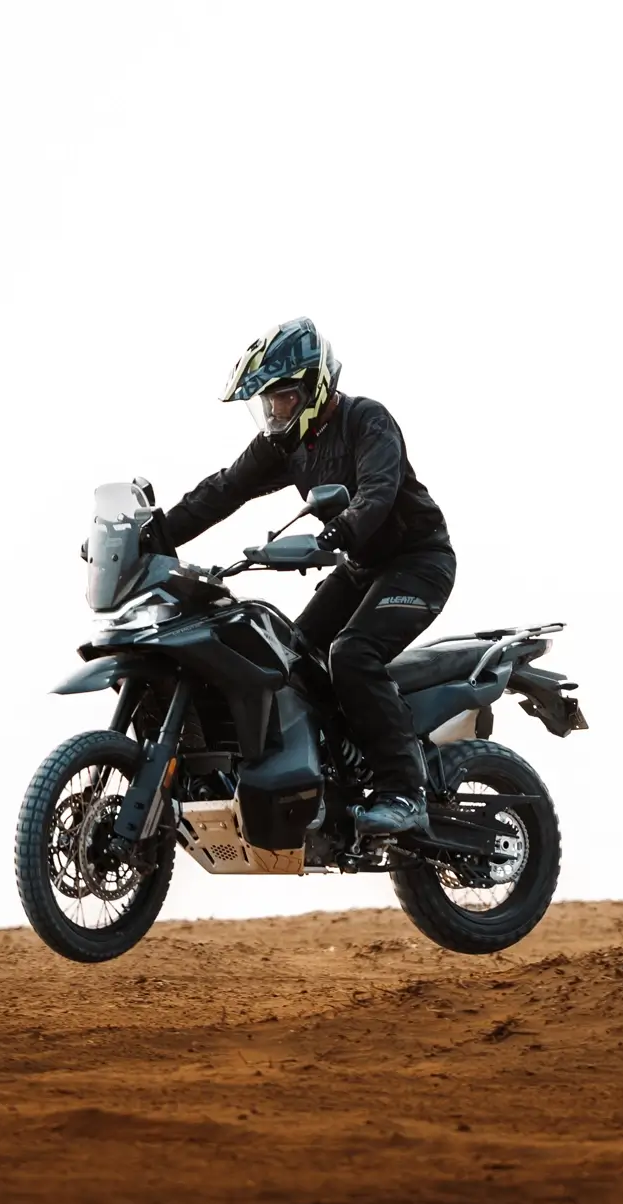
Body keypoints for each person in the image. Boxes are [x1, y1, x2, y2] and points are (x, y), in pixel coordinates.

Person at [158, 318, 453, 836]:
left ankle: (405, 792)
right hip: (361, 568)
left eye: (284, 398)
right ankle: (341, 765)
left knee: (352, 653)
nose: (275, 412)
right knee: (290, 657)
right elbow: (223, 490)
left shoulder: (367, 420)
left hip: (418, 562)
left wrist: (339, 531)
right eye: (269, 402)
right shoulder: (286, 444)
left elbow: (377, 492)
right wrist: (153, 535)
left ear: (315, 387)